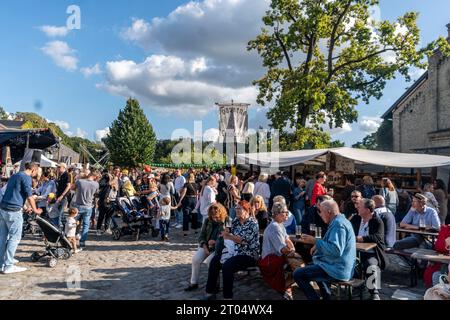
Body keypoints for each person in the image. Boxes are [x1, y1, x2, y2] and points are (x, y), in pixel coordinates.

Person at [293, 200, 356, 300]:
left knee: (298, 274)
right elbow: (333, 243)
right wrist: (318, 244)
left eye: (321, 211)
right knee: (315, 264)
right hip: (337, 266)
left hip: (338, 269)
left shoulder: (338, 225)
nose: (320, 214)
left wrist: (315, 241)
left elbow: (336, 250)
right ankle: (327, 297)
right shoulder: (340, 221)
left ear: (329, 212)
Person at [203, 200, 259, 300]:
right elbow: (228, 230)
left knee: (227, 266)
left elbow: (243, 240)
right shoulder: (236, 221)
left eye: (239, 209)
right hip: (234, 252)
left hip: (248, 254)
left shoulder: (253, 223)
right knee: (214, 261)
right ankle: (210, 293)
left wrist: (228, 236)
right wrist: (226, 231)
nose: (236, 210)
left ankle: (227, 297)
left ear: (246, 210)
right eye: (236, 208)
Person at [0, 162, 42, 274]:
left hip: (4, 208)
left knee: (2, 238)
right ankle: (8, 265)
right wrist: (35, 209)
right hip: (14, 211)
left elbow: (14, 193)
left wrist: (24, 206)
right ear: (33, 170)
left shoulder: (15, 175)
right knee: (14, 238)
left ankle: (1, 263)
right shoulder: (26, 178)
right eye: (36, 172)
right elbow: (29, 196)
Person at [259, 202, 301, 300]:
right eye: (285, 212)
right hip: (269, 262)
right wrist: (293, 254)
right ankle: (286, 288)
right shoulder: (275, 227)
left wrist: (293, 250)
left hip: (276, 257)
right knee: (298, 265)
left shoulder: (280, 224)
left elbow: (287, 240)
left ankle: (287, 287)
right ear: (277, 213)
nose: (287, 214)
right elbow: (283, 250)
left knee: (297, 260)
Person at [185, 203, 230, 292]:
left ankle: (215, 285)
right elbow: (202, 236)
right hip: (207, 246)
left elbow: (227, 238)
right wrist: (205, 246)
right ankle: (194, 283)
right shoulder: (207, 220)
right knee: (195, 259)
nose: (215, 219)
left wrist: (215, 242)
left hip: (219, 247)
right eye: (213, 217)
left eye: (217, 217)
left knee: (210, 262)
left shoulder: (227, 221)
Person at [351, 198, 387, 300]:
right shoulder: (356, 219)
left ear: (367, 210)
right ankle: (357, 288)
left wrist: (359, 238)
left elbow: (377, 237)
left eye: (360, 205)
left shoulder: (377, 221)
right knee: (351, 263)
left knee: (371, 265)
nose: (357, 206)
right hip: (355, 251)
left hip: (372, 252)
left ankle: (374, 292)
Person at [72, 172, 99, 248]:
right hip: (88, 206)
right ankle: (82, 242)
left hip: (78, 205)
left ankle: (70, 239)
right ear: (94, 177)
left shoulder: (79, 181)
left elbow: (72, 188)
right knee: (86, 225)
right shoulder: (96, 184)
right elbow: (96, 194)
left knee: (73, 223)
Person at [55, 163, 72, 228]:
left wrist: (62, 195)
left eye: (59, 167)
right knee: (61, 213)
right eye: (58, 167)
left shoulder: (67, 175)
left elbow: (68, 186)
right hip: (59, 196)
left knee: (59, 213)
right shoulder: (60, 175)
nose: (58, 168)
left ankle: (58, 228)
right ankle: (66, 226)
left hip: (63, 197)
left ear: (64, 168)